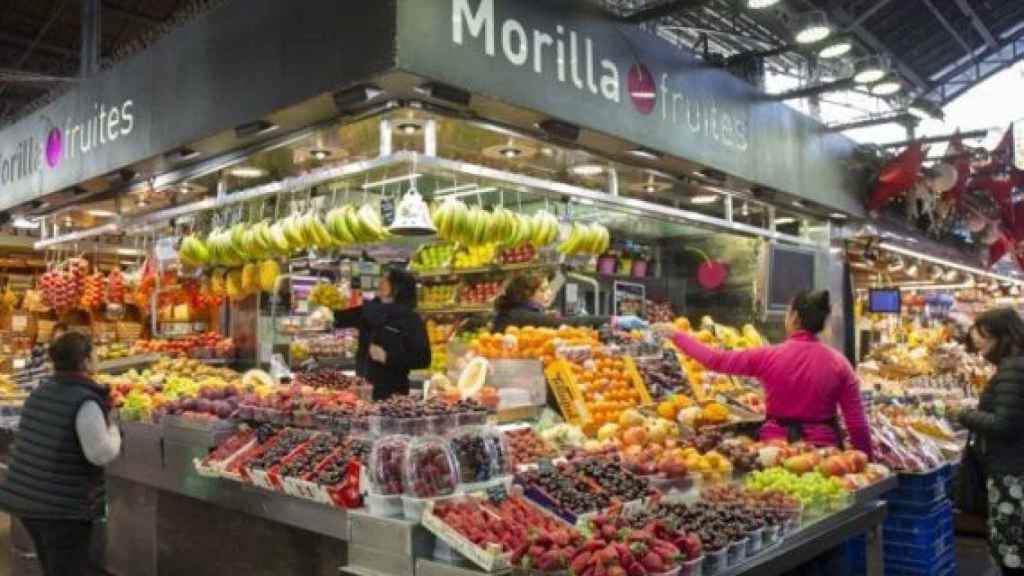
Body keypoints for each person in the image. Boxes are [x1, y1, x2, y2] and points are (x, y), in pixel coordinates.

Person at [653, 289, 872, 456]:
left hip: (775, 451)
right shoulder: (839, 364)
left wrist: (677, 335)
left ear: (794, 317)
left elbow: (714, 360)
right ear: (822, 324)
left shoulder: (768, 356)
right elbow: (857, 424)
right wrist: (865, 463)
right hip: (824, 452)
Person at [0, 331, 122, 576]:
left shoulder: (40, 392)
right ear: (86, 360)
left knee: (55, 566)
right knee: (67, 567)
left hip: (26, 500)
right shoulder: (85, 401)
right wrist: (115, 429)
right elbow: (100, 453)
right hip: (60, 509)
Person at [958, 308, 1024, 575]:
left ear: (1001, 337)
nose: (979, 346)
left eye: (983, 338)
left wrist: (963, 414)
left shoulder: (1013, 369)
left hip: (1011, 472)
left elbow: (1004, 425)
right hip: (1013, 467)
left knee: (1009, 546)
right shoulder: (1014, 366)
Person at [331, 267, 431, 400]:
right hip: (362, 391)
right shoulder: (368, 310)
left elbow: (423, 359)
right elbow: (337, 319)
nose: (380, 282)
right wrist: (335, 299)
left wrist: (387, 357)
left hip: (393, 395)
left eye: (386, 279)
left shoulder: (411, 319)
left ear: (398, 287)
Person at [492, 273, 647, 333]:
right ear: (526, 293)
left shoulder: (513, 313)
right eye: (542, 290)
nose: (548, 293)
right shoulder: (520, 315)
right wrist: (615, 320)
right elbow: (571, 322)